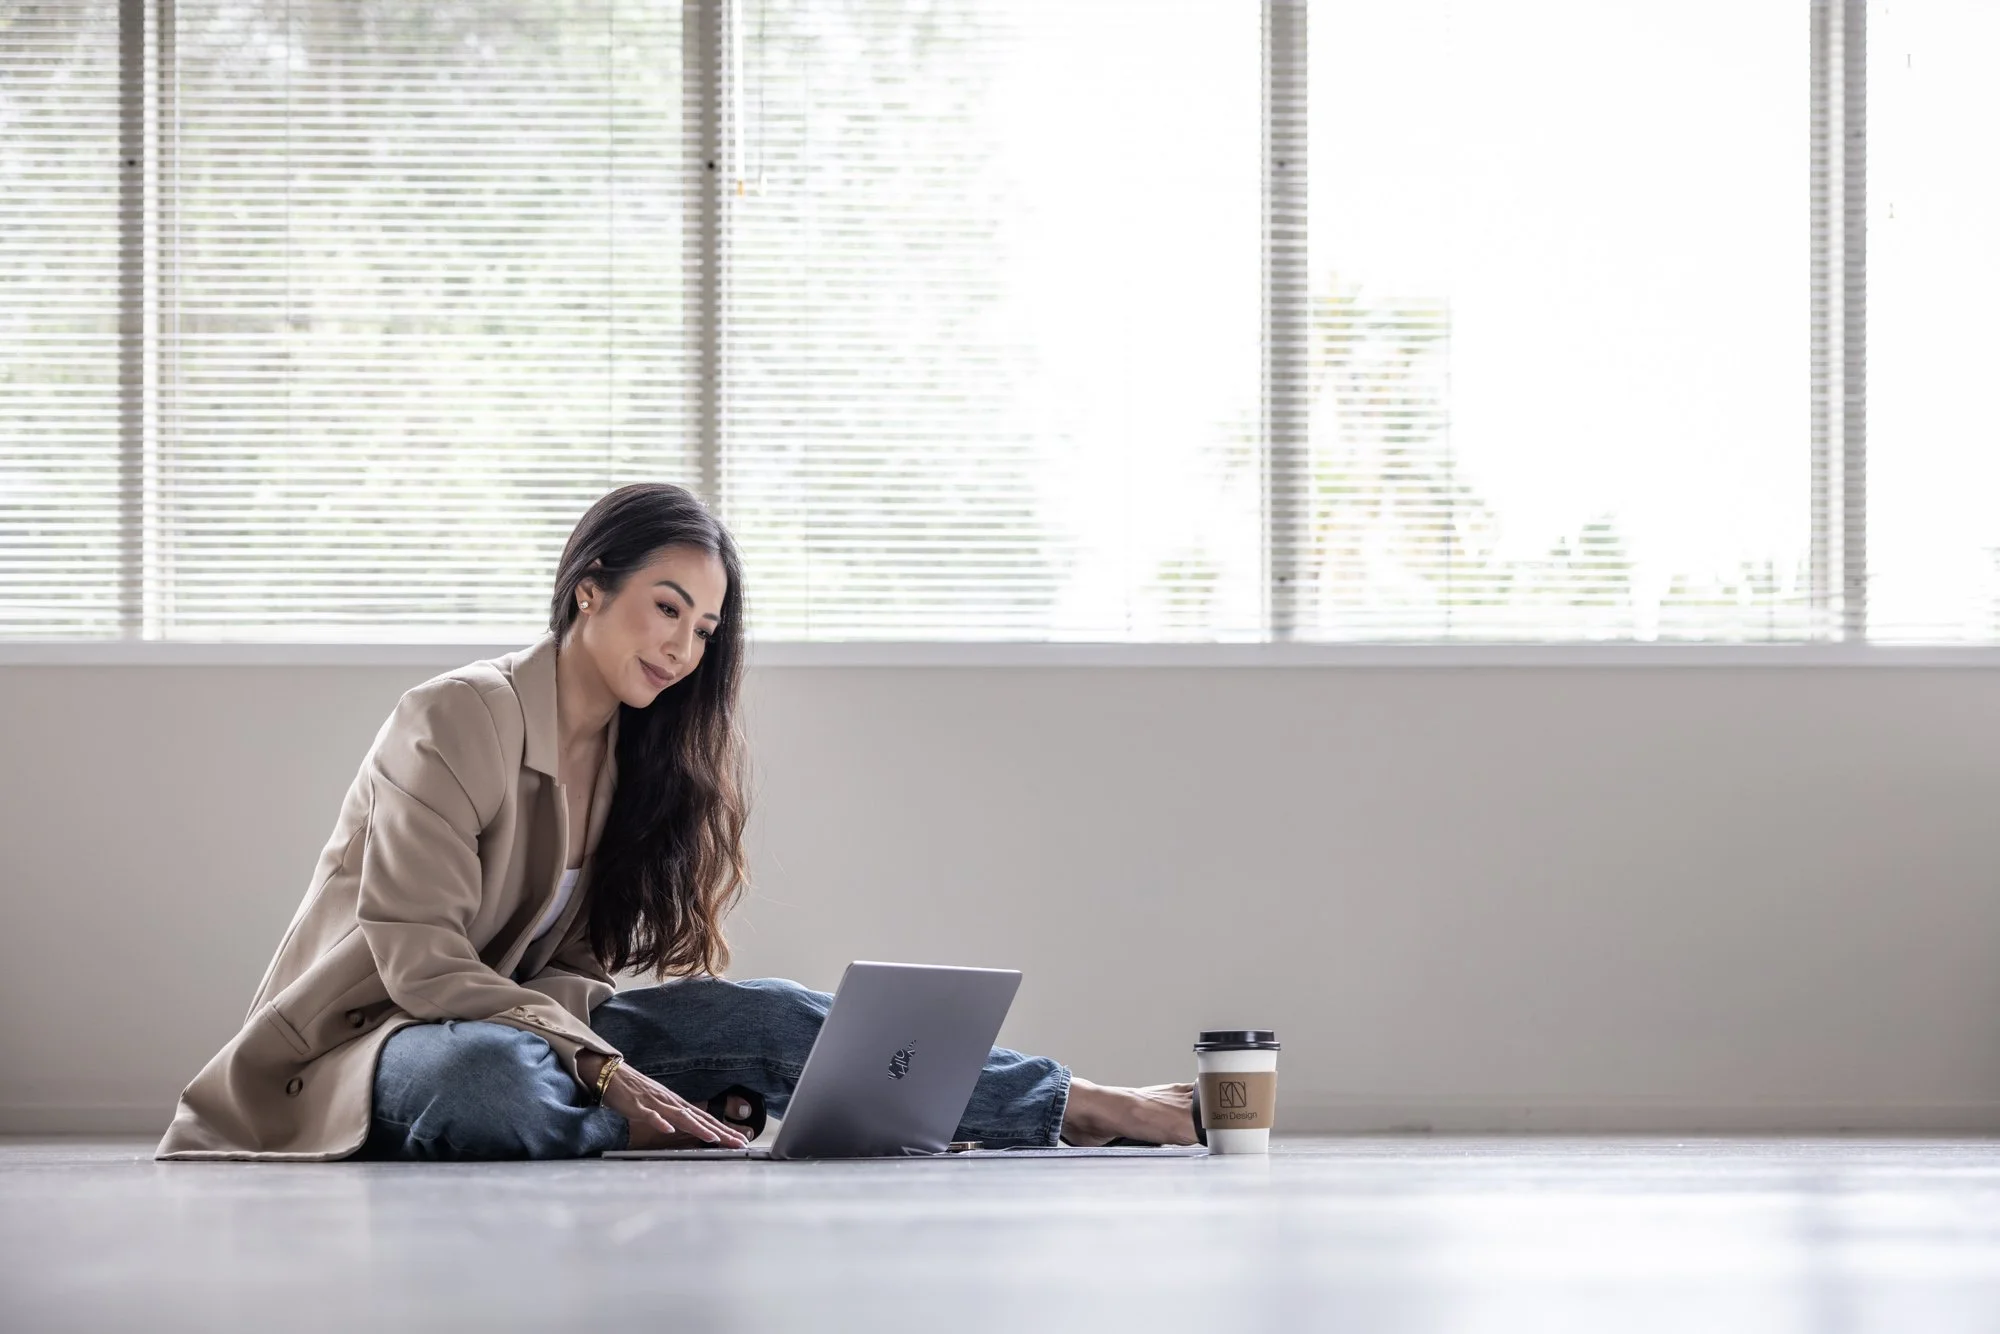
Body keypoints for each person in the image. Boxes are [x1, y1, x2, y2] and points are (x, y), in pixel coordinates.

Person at [156, 483, 1197, 1161]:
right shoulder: (455, 715)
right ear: (587, 590)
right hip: (364, 1045)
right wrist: (602, 1067)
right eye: (665, 607)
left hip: (530, 1031)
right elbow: (419, 960)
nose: (684, 645)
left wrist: (596, 1047)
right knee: (488, 1082)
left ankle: (1086, 1103)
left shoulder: (633, 761)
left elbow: (569, 972)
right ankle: (646, 1119)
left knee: (772, 1017)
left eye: (704, 626)